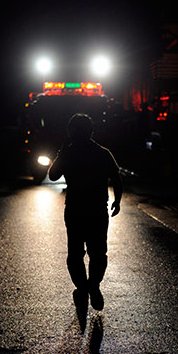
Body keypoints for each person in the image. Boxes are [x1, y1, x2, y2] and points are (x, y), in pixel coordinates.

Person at [49, 113, 123, 311]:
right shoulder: (103, 152)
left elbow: (53, 175)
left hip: (74, 210)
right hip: (97, 211)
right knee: (98, 253)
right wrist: (117, 200)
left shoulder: (69, 153)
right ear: (91, 131)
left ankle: (82, 288)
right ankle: (94, 286)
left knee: (75, 253)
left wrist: (61, 154)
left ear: (71, 132)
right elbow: (116, 177)